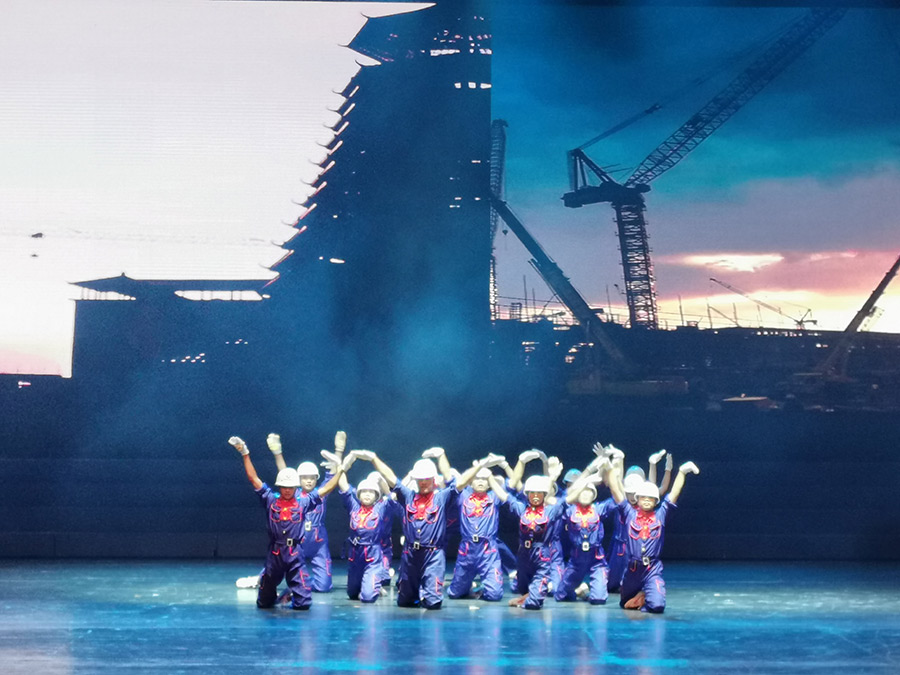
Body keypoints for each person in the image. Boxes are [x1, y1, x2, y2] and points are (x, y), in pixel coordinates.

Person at [227, 436, 341, 610]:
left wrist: (340, 469)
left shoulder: (303, 502)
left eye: (291, 487)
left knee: (303, 604)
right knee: (264, 603)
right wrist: (245, 453)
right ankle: (263, 583)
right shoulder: (271, 499)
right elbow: (253, 478)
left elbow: (327, 488)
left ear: (296, 487)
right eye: (284, 487)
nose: (287, 490)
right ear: (279, 487)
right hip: (276, 552)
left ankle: (293, 592)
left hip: (295, 552)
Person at [354, 448, 458, 609]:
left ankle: (428, 592)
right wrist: (374, 458)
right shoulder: (408, 496)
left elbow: (454, 483)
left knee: (433, 603)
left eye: (427, 479)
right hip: (411, 555)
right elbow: (392, 479)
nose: (423, 482)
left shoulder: (441, 498)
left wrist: (441, 456)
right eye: (420, 479)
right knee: (405, 602)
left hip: (433, 554)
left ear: (433, 480)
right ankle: (415, 593)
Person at [608, 458, 700, 613]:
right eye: (643, 497)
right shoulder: (629, 514)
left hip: (651, 568)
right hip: (633, 569)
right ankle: (641, 594)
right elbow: (616, 492)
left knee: (657, 606)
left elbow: (673, 494)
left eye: (650, 498)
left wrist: (682, 472)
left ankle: (647, 595)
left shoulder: (660, 516)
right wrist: (610, 469)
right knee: (625, 603)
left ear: (655, 501)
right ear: (637, 499)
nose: (646, 500)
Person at [499, 471, 567, 610]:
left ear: (544, 495)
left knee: (534, 602)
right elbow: (506, 497)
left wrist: (587, 475)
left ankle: (533, 597)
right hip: (524, 553)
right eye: (532, 493)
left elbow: (568, 498)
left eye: (539, 493)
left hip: (542, 552)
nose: (536, 496)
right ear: (527, 494)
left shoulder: (550, 511)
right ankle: (527, 595)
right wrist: (490, 477)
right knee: (520, 585)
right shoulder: (522, 509)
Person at [447, 455, 508, 602]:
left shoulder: (494, 497)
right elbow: (453, 479)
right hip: (468, 549)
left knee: (494, 595)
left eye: (484, 479)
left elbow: (507, 492)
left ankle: (483, 588)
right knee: (454, 594)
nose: (480, 481)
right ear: (471, 482)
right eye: (477, 479)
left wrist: (491, 476)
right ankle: (467, 586)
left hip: (488, 549)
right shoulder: (464, 496)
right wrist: (478, 466)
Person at [554, 463, 616, 605]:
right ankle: (577, 590)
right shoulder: (569, 510)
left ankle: (586, 591)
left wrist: (611, 468)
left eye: (589, 491)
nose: (585, 494)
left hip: (596, 558)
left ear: (594, 495)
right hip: (576, 559)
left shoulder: (599, 509)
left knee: (599, 598)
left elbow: (617, 498)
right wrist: (587, 475)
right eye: (582, 491)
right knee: (561, 595)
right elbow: (562, 500)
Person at [335, 464, 394, 603]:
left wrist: (382, 482)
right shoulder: (354, 506)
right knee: (352, 594)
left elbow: (392, 497)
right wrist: (342, 466)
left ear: (376, 495)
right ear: (359, 494)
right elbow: (343, 485)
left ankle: (374, 584)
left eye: (371, 492)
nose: (367, 494)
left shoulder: (380, 508)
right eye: (364, 491)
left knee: (367, 597)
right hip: (355, 555)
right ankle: (371, 584)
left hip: (372, 555)